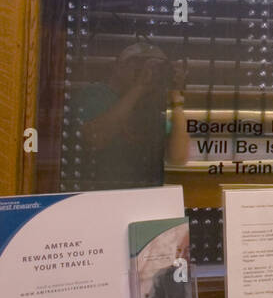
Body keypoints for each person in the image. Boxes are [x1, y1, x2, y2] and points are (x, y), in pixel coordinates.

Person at [75, 40, 189, 189]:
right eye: (138, 63)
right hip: (101, 191)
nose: (147, 71)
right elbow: (95, 138)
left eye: (157, 68)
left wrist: (176, 97)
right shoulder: (97, 94)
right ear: (118, 68)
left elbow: (178, 157)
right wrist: (139, 87)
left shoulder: (151, 108)